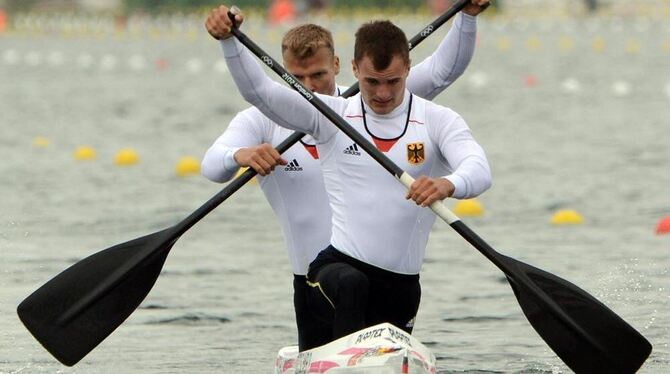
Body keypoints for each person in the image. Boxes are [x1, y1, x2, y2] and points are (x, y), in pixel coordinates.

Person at [202, 2, 489, 351]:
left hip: (399, 283)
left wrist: (467, 16)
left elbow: (446, 72)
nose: (383, 93)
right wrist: (230, 42)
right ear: (356, 70)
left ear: (339, 67)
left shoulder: (429, 115)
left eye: (318, 76)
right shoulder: (320, 117)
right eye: (299, 78)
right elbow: (258, 94)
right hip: (326, 277)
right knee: (351, 284)